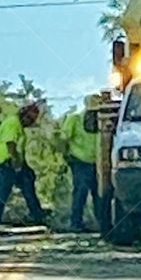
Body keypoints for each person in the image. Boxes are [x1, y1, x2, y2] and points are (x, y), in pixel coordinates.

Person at [0, 102, 48, 235]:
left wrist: (23, 165)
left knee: (28, 180)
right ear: (23, 114)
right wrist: (15, 162)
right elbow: (11, 144)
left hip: (14, 161)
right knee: (1, 194)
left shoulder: (19, 126)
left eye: (33, 120)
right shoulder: (12, 123)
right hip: (5, 161)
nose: (30, 123)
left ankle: (37, 215)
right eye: (30, 119)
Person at [61, 96, 100, 232]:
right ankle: (76, 223)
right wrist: (66, 156)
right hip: (80, 161)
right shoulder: (75, 119)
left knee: (99, 193)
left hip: (98, 162)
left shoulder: (102, 120)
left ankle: (101, 223)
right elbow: (63, 139)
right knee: (81, 192)